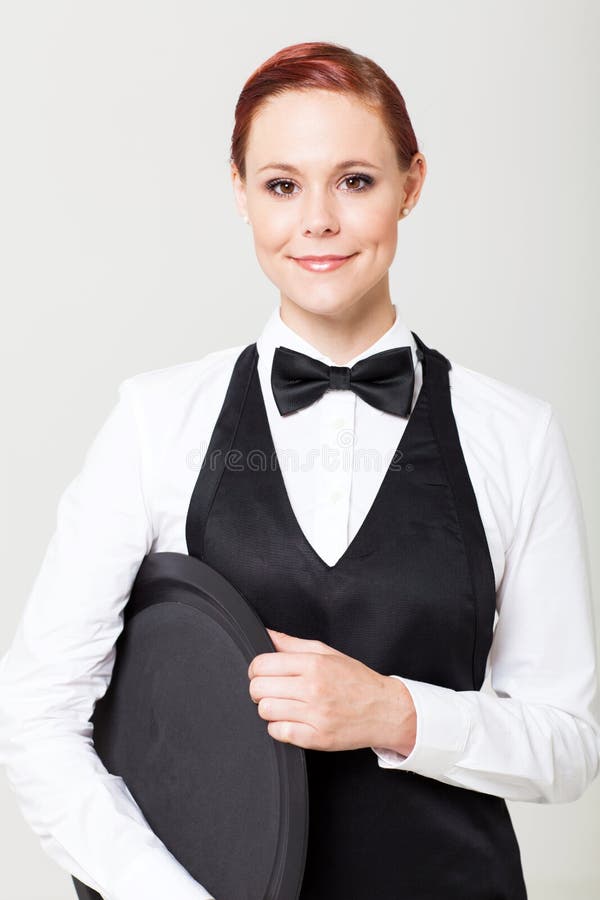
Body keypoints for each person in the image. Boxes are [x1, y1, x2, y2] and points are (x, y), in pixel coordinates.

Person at [0, 39, 599, 900]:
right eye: (283, 185)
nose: (317, 219)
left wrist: (395, 711)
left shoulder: (517, 435)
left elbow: (569, 743)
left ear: (411, 185)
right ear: (240, 193)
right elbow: (39, 710)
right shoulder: (156, 420)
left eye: (355, 180)